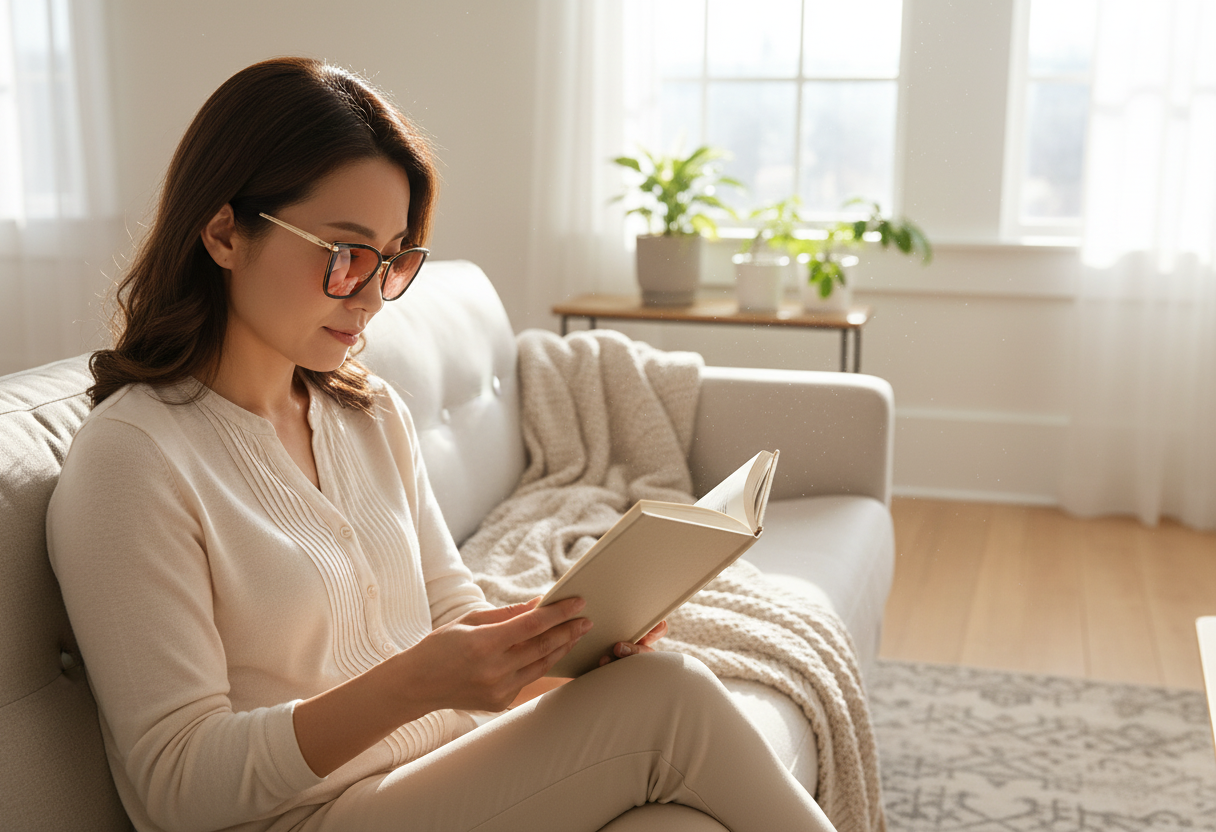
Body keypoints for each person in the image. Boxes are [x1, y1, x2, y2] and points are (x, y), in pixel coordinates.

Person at [45, 57, 837, 832]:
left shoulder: (367, 415)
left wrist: (561, 651)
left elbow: (454, 615)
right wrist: (412, 684)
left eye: (392, 261)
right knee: (670, 696)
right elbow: (176, 785)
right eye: (345, 255)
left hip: (435, 776)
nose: (370, 297)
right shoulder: (133, 459)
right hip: (302, 817)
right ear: (224, 233)